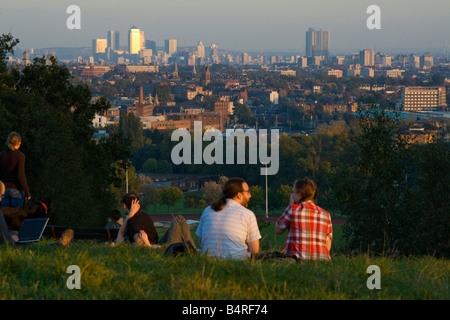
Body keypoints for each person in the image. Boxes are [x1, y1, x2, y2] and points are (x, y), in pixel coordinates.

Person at [195, 177, 261, 260]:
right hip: (237, 263)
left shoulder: (207, 210)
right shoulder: (247, 214)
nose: (250, 195)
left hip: (207, 261)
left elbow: (201, 243)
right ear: (239, 195)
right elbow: (254, 251)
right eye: (248, 192)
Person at [0, 180, 73, 247]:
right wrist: (11, 239)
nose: (1, 199)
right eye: (1, 195)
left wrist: (10, 236)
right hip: (11, 245)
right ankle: (59, 245)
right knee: (34, 248)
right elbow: (6, 242)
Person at [275, 178, 333, 262]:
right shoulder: (326, 214)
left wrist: (290, 204)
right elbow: (328, 244)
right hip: (322, 261)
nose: (292, 194)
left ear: (299, 194)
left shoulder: (293, 209)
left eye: (293, 192)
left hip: (297, 259)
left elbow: (278, 229)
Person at [112, 192, 196, 249]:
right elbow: (140, 241)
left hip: (159, 246)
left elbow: (139, 241)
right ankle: (192, 249)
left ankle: (191, 249)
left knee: (179, 219)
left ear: (124, 206)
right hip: (160, 247)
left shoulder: (131, 221)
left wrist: (130, 216)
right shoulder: (145, 215)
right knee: (179, 219)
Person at [0, 132, 31, 208]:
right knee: (16, 217)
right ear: (19, 143)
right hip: (16, 190)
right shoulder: (20, 156)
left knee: (5, 218)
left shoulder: (1, 155)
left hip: (4, 189)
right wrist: (27, 193)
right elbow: (21, 176)